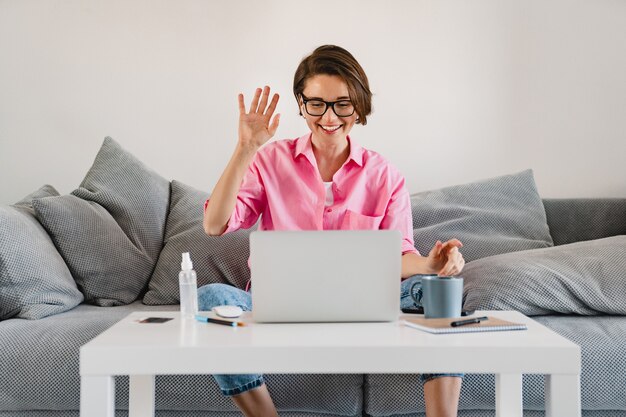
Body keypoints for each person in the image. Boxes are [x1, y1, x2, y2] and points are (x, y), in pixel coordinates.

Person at [200, 45, 465, 417]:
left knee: (439, 291)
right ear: (301, 103)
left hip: (365, 303)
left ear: (358, 104)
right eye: (317, 103)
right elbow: (215, 224)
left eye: (342, 104)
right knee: (210, 299)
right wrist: (245, 148)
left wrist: (429, 265)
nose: (329, 117)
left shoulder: (384, 176)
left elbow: (398, 257)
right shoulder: (270, 161)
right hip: (279, 304)